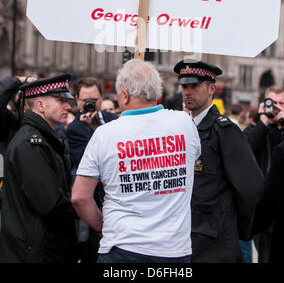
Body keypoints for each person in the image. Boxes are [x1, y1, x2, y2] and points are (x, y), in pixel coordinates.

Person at [71, 59, 201, 263]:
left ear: (124, 95)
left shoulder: (104, 134)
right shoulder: (185, 123)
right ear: (156, 92)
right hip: (173, 250)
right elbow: (192, 163)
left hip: (121, 247)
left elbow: (79, 196)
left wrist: (103, 226)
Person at [173, 58, 264, 263]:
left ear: (211, 88)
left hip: (215, 243)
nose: (187, 91)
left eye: (194, 86)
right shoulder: (183, 129)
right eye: (184, 86)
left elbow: (251, 187)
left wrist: (234, 226)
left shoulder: (224, 130)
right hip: (185, 238)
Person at [0, 74, 78, 263]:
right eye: (60, 100)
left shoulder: (46, 138)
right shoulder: (30, 143)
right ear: (41, 106)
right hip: (35, 251)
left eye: (67, 100)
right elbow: (51, 203)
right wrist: (86, 207)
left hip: (45, 247)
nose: (68, 106)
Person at [66, 77, 118, 262]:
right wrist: (93, 128)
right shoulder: (75, 129)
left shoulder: (113, 119)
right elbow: (92, 163)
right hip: (96, 200)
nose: (90, 104)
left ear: (101, 98)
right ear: (77, 101)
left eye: (94, 100)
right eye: (85, 100)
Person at [244, 85, 284, 262]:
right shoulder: (257, 129)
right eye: (273, 103)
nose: (278, 107)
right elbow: (245, 149)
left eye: (282, 103)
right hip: (265, 213)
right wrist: (263, 121)